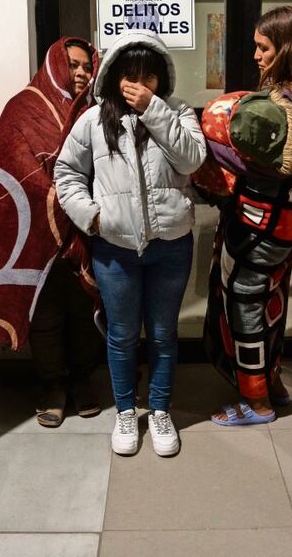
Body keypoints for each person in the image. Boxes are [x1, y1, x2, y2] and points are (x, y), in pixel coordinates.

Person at [55, 30, 205, 456]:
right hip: (114, 248)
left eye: (148, 76)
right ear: (114, 75)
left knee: (162, 334)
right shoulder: (93, 120)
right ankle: (125, 411)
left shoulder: (176, 111)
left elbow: (192, 160)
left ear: (161, 78)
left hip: (171, 245)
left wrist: (154, 110)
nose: (138, 84)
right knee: (121, 335)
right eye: (130, 75)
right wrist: (93, 217)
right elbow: (66, 174)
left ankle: (159, 410)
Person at [203, 5, 292, 426]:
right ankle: (271, 384)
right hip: (284, 220)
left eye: (264, 48)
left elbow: (258, 165)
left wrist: (208, 142)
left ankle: (256, 400)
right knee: (268, 303)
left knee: (245, 305)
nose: (256, 56)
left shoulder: (285, 100)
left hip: (258, 221)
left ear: (287, 47)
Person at [0, 37, 104, 428]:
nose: (81, 73)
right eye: (73, 64)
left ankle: (82, 380)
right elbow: (15, 165)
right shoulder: (22, 108)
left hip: (89, 229)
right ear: (55, 64)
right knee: (46, 314)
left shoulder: (96, 109)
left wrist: (86, 207)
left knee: (86, 309)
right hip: (41, 230)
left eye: (87, 66)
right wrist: (62, 202)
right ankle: (53, 385)